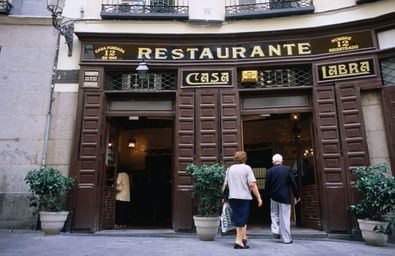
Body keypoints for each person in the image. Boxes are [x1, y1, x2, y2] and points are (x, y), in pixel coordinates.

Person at [223, 151, 263, 249]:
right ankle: (238, 241)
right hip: (244, 197)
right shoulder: (247, 168)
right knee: (242, 219)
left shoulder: (229, 169)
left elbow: (225, 184)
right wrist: (258, 197)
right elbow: (252, 185)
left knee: (238, 219)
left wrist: (223, 197)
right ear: (244, 159)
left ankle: (242, 238)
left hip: (232, 197)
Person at [265, 154, 300, 244]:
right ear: (281, 160)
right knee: (285, 218)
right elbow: (293, 183)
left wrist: (267, 196)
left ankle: (275, 230)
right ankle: (287, 239)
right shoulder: (287, 169)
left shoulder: (269, 171)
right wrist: (297, 195)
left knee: (274, 214)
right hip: (284, 197)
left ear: (273, 161)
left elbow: (267, 186)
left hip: (273, 197)